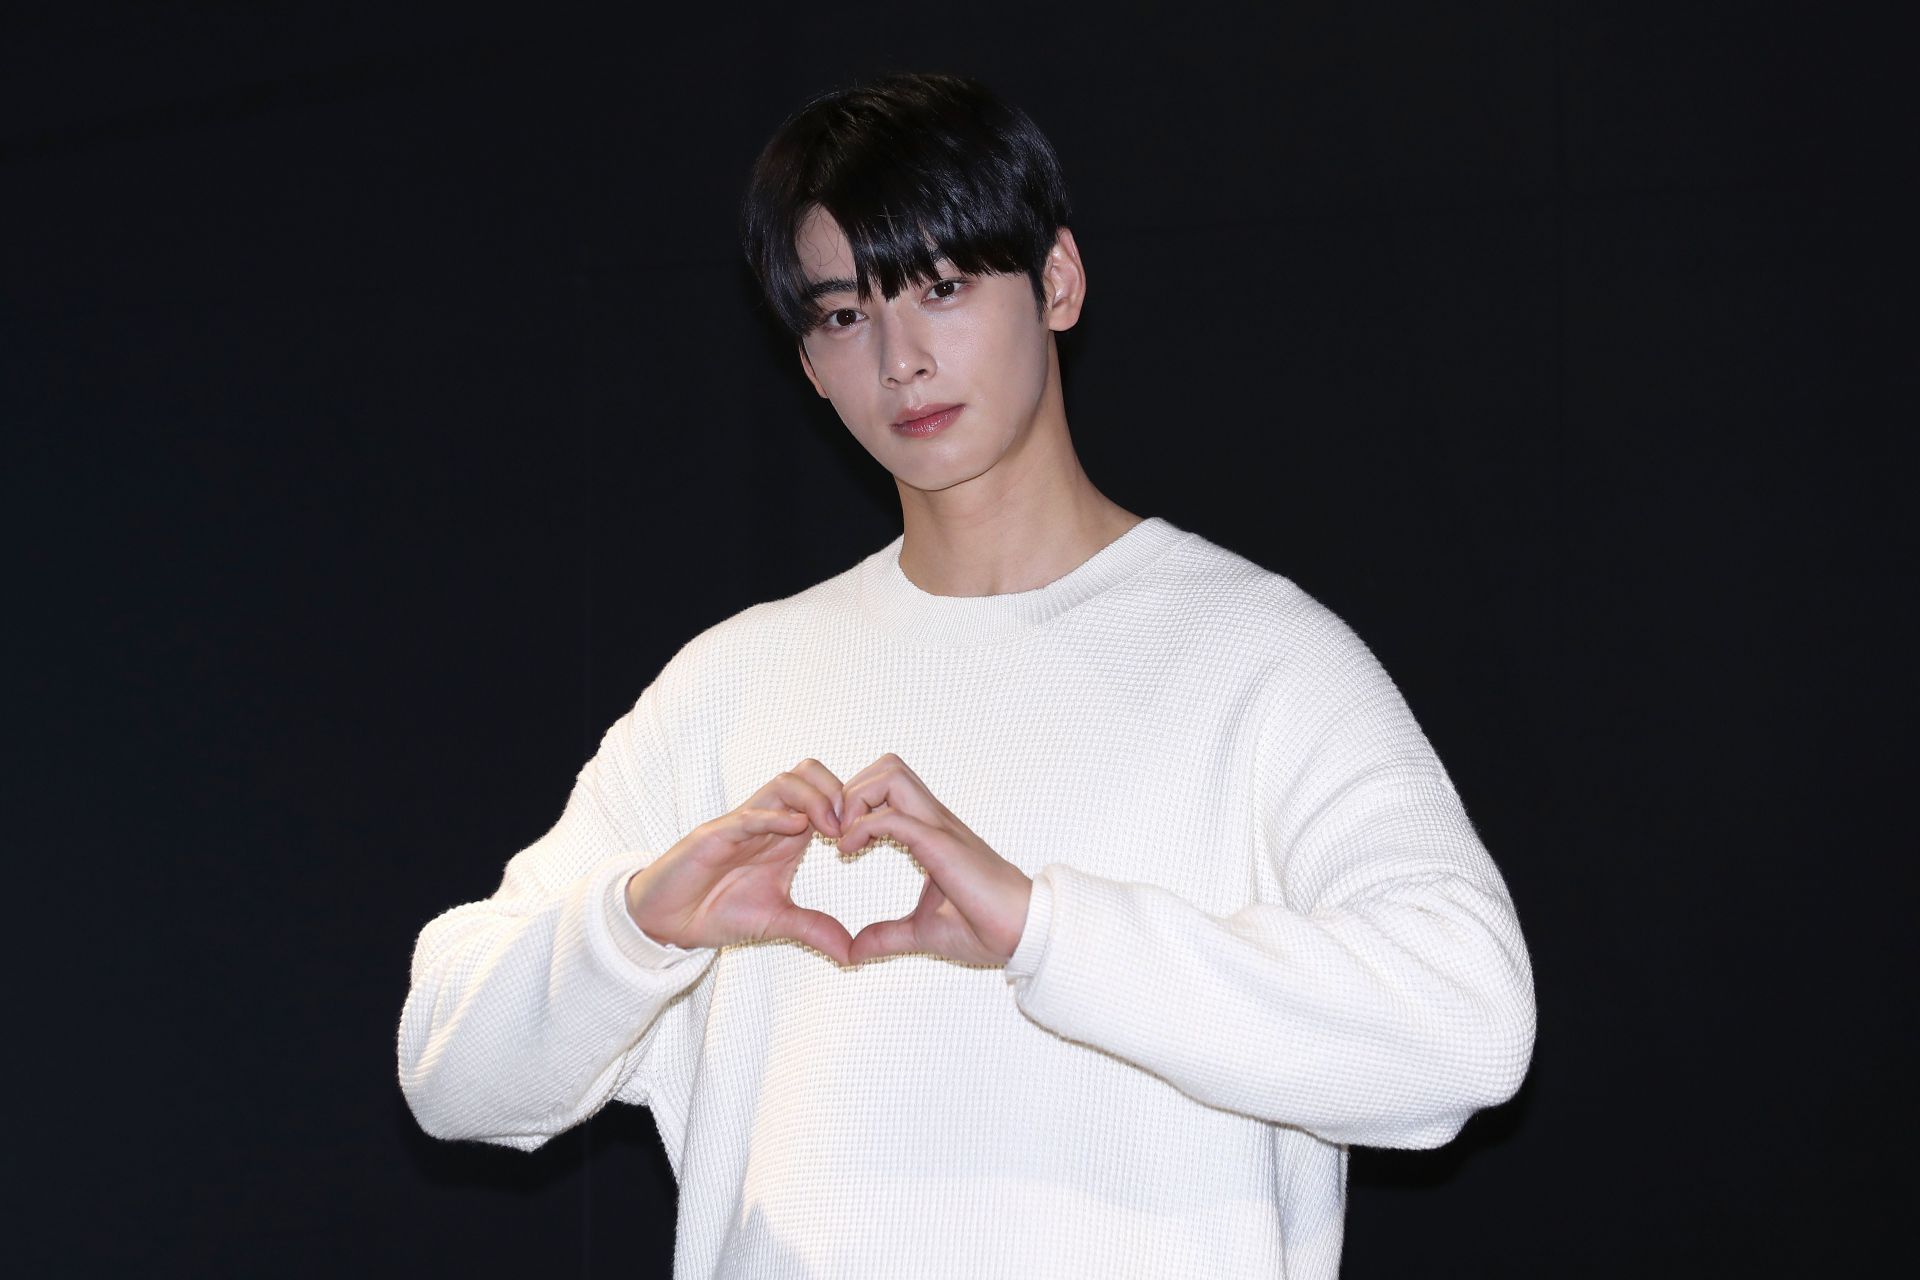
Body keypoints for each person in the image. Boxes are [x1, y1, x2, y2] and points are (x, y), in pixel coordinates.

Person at [397, 70, 1536, 1278]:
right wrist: (632, 929)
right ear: (808, 361)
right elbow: (447, 1066)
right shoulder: (730, 685)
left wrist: (1047, 930)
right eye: (844, 315)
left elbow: (1469, 1027)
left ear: (1056, 280)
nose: (900, 359)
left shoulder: (1259, 656)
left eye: (940, 288)